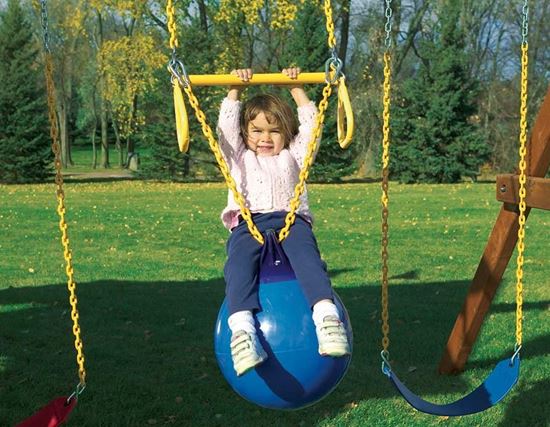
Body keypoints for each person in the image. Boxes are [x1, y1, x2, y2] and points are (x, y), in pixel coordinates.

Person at [218, 67, 350, 376]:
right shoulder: (237, 157)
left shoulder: (295, 156)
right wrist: (234, 90)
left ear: (286, 133)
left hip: (291, 221)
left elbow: (312, 127)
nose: (265, 138)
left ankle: (327, 318)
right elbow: (224, 130)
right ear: (245, 133)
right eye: (257, 131)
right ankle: (242, 332)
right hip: (249, 222)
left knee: (309, 260)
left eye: (274, 131)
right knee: (237, 266)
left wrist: (297, 88)